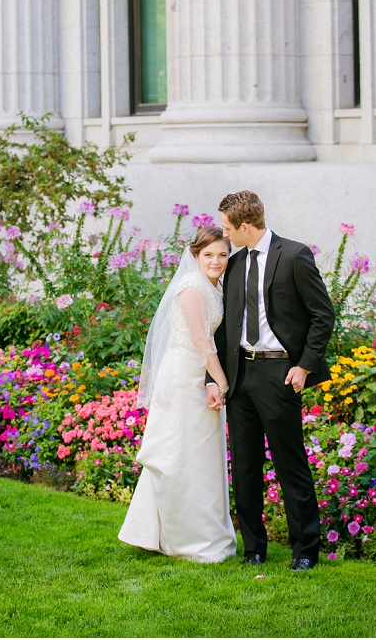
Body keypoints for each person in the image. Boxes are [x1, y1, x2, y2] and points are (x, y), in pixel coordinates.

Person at [215, 190, 333, 572]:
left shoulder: (295, 256)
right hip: (239, 375)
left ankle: (305, 549)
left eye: (227, 228)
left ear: (245, 226)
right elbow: (222, 328)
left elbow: (322, 315)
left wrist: (304, 366)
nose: (225, 235)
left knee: (289, 463)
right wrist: (214, 379)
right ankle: (254, 548)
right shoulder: (233, 264)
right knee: (245, 466)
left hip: (279, 373)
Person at [119, 225, 238, 563]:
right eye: (209, 255)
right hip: (184, 376)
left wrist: (213, 381)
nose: (216, 261)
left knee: (199, 456)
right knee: (179, 455)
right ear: (195, 255)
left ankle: (161, 532)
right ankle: (183, 538)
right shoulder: (190, 288)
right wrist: (222, 382)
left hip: (199, 375)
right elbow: (202, 341)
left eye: (222, 255)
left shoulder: (214, 286)